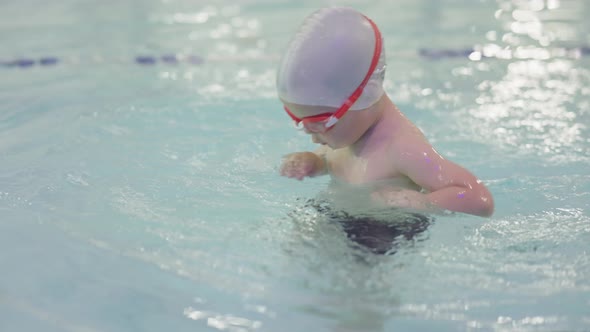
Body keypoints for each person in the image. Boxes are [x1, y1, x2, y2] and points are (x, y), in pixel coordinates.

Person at [276, 7, 494, 219]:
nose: (315, 137)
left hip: (381, 233)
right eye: (302, 124)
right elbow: (329, 160)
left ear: (364, 96)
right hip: (341, 215)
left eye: (320, 124)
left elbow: (479, 199)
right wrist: (314, 162)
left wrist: (424, 203)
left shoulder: (402, 148)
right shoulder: (341, 134)